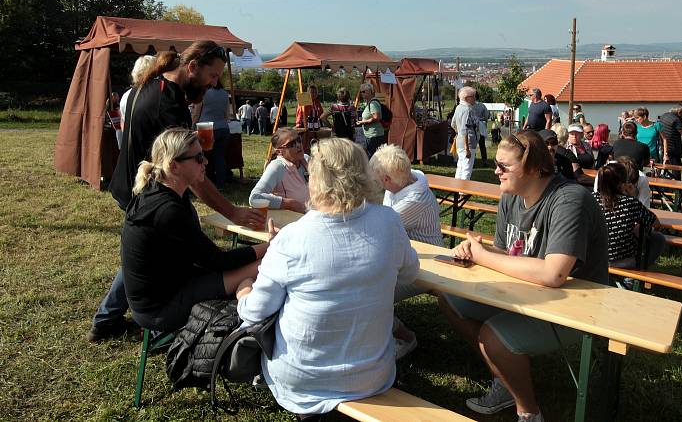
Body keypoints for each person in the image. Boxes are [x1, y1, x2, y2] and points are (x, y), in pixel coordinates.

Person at [88, 40, 265, 342]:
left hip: (137, 183)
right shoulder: (168, 103)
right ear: (192, 66)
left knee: (148, 254)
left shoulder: (156, 84)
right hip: (144, 188)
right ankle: (141, 317)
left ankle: (109, 319)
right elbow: (195, 178)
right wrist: (233, 212)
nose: (213, 84)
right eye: (212, 76)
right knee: (152, 252)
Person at [236, 138, 420, 419]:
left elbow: (255, 313)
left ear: (316, 179)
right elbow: (410, 272)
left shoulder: (292, 238)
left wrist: (242, 291)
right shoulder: (388, 221)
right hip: (372, 375)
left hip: (303, 380)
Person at [439, 130, 608, 422]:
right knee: (449, 297)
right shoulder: (511, 196)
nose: (496, 171)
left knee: (493, 337)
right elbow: (507, 255)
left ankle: (529, 413)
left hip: (578, 304)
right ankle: (505, 380)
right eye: (496, 164)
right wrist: (478, 249)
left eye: (504, 167)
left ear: (532, 168)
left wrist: (485, 257)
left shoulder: (569, 200)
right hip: (529, 291)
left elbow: (554, 274)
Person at [122, 128, 268, 332]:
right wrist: (270, 246)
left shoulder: (159, 191)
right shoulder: (168, 211)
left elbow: (207, 259)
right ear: (174, 166)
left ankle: (245, 290)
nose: (206, 162)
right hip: (159, 309)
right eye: (199, 158)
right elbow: (218, 261)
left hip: (167, 287)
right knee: (263, 265)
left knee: (251, 270)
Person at [369, 143, 442, 359]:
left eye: (377, 179)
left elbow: (379, 228)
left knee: (371, 293)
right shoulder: (405, 182)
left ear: (388, 180)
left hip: (426, 266)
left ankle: (404, 337)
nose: (375, 183)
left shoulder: (415, 200)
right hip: (405, 258)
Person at [594, 162, 664, 270]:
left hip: (594, 257)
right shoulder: (629, 203)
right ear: (622, 184)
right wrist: (633, 196)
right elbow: (656, 223)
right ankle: (633, 277)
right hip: (622, 261)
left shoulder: (591, 199)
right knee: (658, 238)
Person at [249, 128, 309, 214]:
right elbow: (255, 197)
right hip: (291, 221)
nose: (298, 145)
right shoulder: (278, 167)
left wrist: (309, 168)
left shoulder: (306, 159)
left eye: (298, 140)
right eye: (292, 144)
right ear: (279, 152)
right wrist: (290, 204)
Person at [197, 79, 232, 188]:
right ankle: (221, 184)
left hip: (205, 127)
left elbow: (197, 111)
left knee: (202, 156)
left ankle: (203, 183)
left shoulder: (203, 92)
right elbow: (227, 114)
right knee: (220, 157)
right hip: (223, 127)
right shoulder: (225, 94)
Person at [119, 56, 156, 149]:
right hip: (149, 148)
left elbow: (123, 122)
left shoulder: (126, 95)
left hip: (132, 147)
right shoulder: (156, 94)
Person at [451, 86, 480, 180]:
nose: (475, 98)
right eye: (473, 96)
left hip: (460, 142)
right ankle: (463, 193)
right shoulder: (468, 110)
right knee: (467, 169)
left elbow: (453, 124)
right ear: (467, 98)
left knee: (460, 166)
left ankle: (456, 190)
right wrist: (467, 148)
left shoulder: (458, 107)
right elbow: (465, 130)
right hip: (468, 143)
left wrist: (458, 133)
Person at [357, 83, 385, 157]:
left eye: (364, 91)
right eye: (361, 92)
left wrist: (363, 122)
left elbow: (376, 117)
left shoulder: (373, 103)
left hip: (375, 136)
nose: (362, 94)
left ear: (371, 92)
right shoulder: (369, 103)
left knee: (374, 157)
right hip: (372, 135)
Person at [473, 94, 491, 164]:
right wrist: (485, 121)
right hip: (481, 125)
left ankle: (473, 161)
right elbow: (486, 115)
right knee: (482, 145)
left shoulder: (470, 105)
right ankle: (484, 161)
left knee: (473, 145)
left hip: (473, 126)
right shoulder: (482, 105)